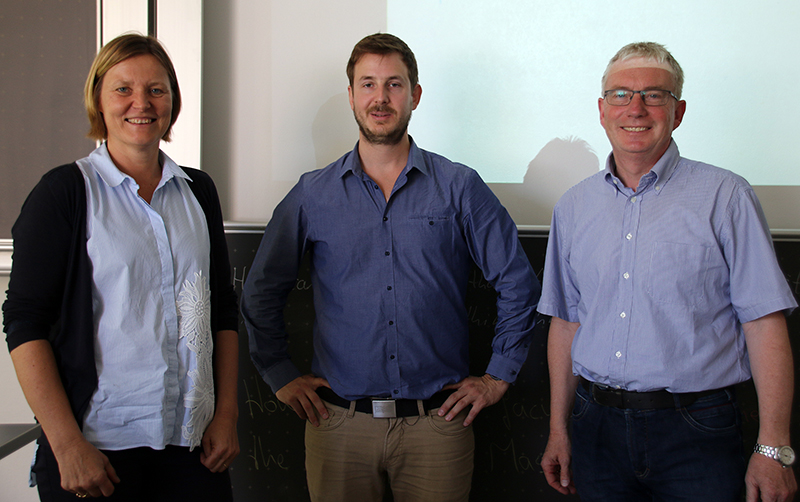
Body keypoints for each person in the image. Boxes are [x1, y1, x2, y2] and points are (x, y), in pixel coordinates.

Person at [241, 33, 539, 502]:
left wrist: (497, 376)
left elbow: (519, 284)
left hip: (438, 427)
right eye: (368, 84)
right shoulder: (312, 195)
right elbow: (260, 290)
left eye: (394, 85)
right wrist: (278, 372)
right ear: (352, 96)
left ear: (415, 95)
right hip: (337, 425)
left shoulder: (460, 187)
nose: (380, 98)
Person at [538, 41, 798, 502]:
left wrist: (774, 446)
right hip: (593, 428)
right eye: (620, 94)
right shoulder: (574, 207)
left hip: (697, 429)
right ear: (602, 110)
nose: (635, 108)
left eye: (654, 95)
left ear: (677, 112)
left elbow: (763, 323)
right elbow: (566, 322)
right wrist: (559, 429)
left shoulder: (727, 196)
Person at [3, 34, 239, 501]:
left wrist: (227, 414)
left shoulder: (198, 191)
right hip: (97, 451)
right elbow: (24, 322)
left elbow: (222, 311)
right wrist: (65, 443)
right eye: (123, 89)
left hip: (193, 446)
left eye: (157, 89)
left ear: (173, 100)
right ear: (97, 99)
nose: (142, 103)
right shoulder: (64, 193)